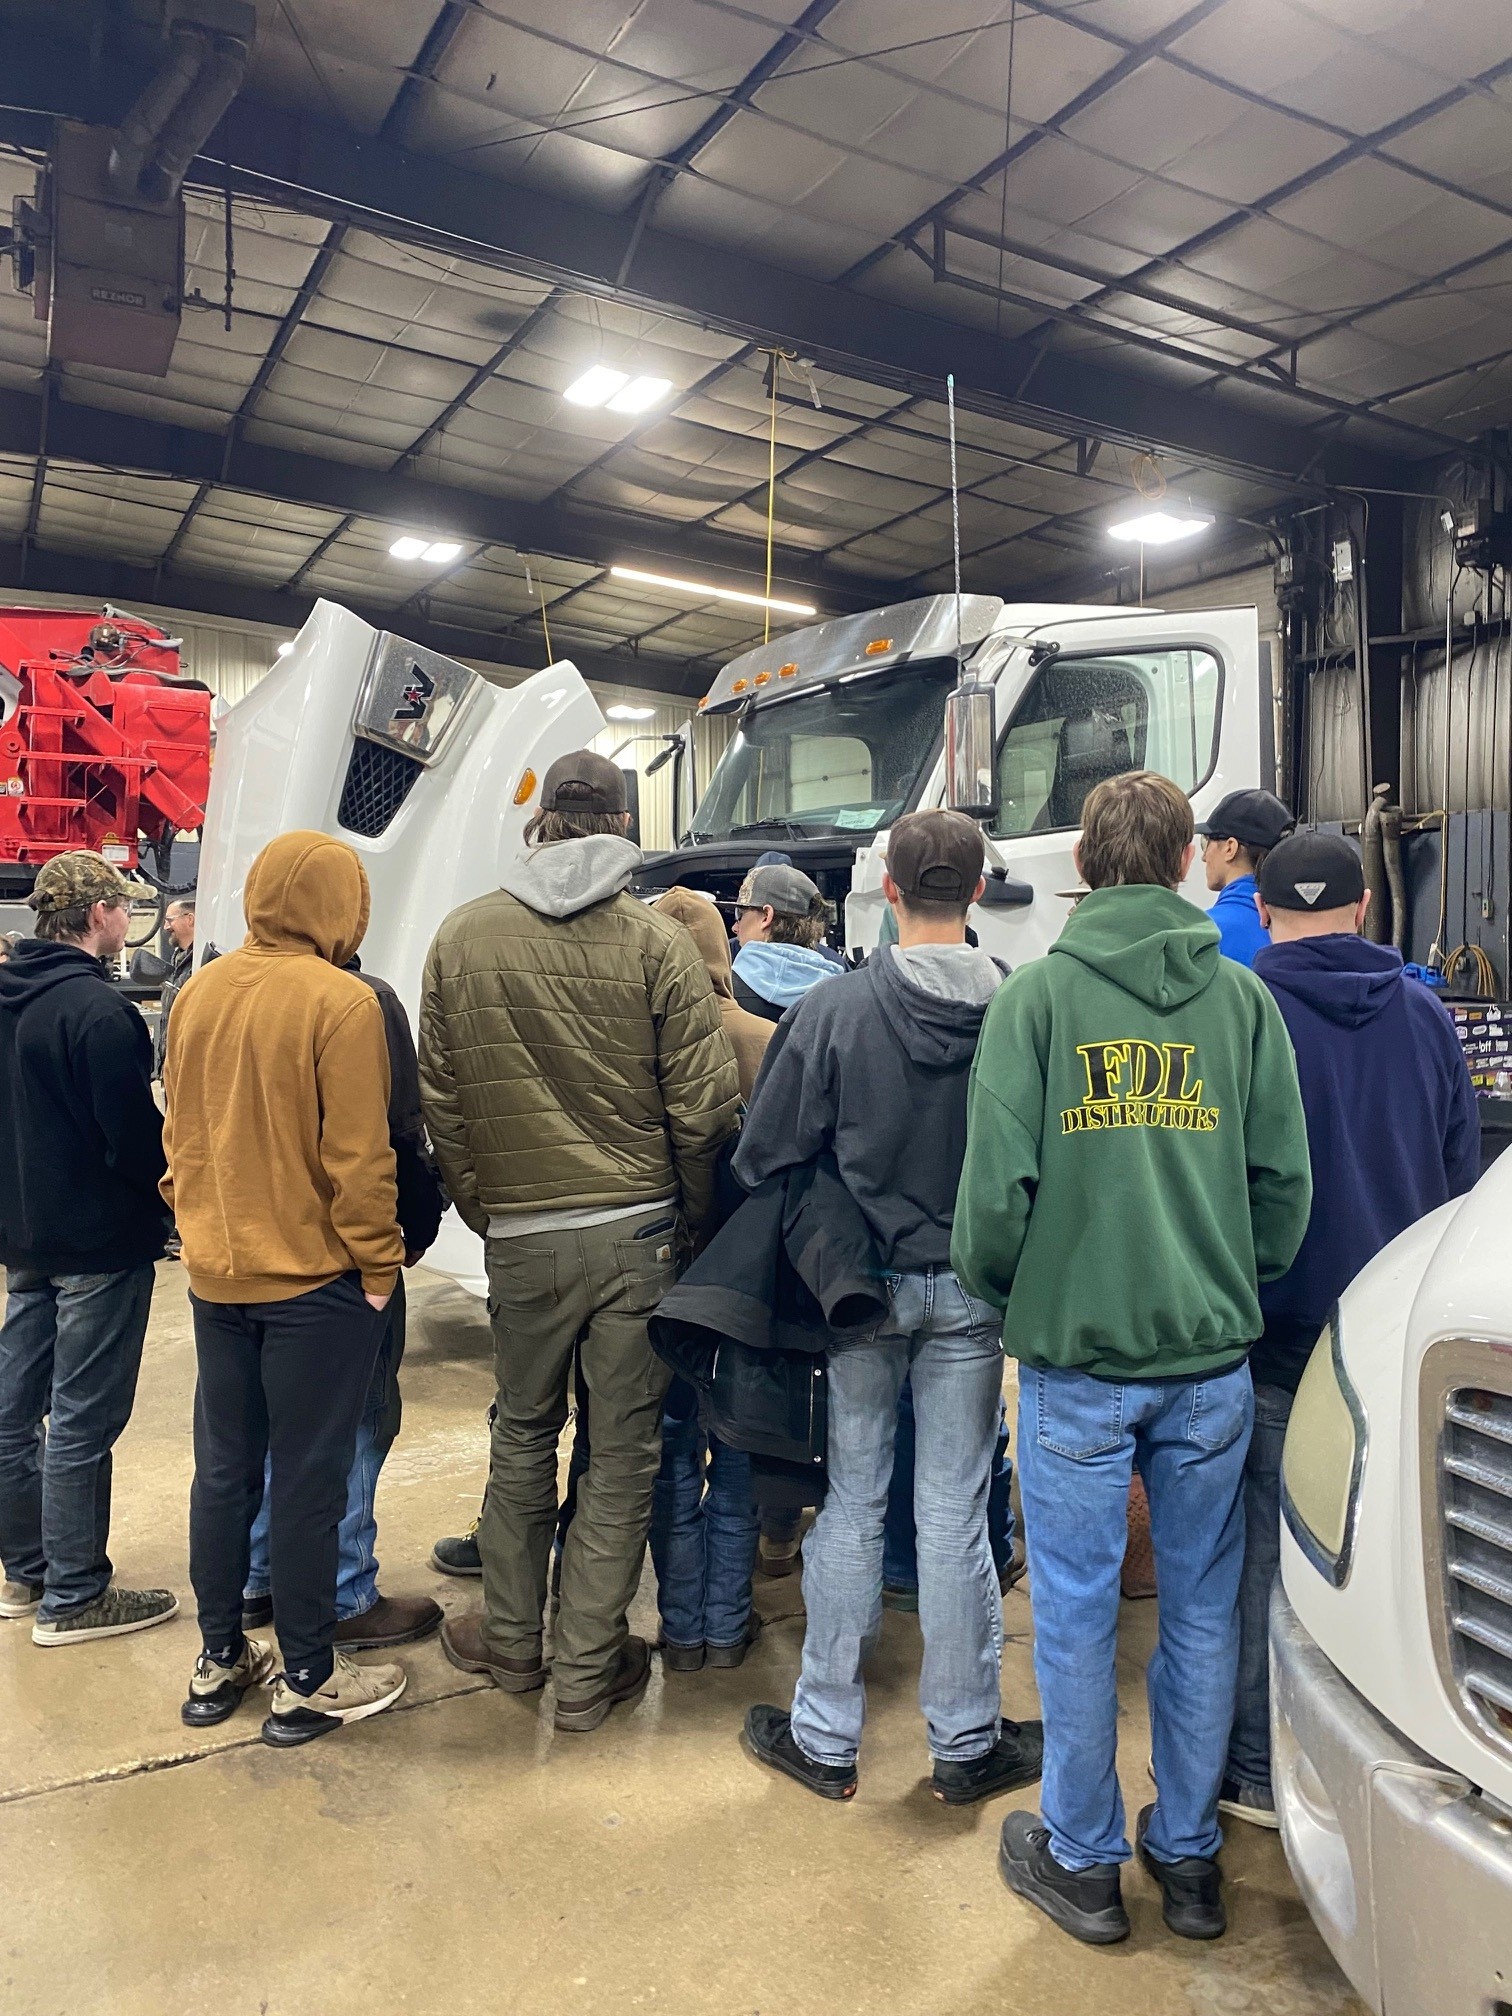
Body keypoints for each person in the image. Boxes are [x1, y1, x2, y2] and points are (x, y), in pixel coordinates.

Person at [953, 770, 1311, 1946]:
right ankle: (1191, 1855)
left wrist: (1023, 1293)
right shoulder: (1244, 1003)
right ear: (1185, 861)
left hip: (1078, 1366)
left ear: (1084, 865)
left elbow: (991, 1204)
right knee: (1202, 1606)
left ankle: (1083, 1859)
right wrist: (1225, 1283)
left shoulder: (1036, 1002)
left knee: (1073, 1612)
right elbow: (1283, 1188)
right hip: (1210, 1365)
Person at [420, 751, 741, 1733]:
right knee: (623, 1453)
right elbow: (704, 1113)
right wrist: (688, 1222)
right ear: (622, 826)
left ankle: (513, 1646)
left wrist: (490, 1214)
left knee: (521, 1434)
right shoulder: (658, 943)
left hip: (523, 1237)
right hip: (639, 1232)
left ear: (539, 823)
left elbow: (444, 1107)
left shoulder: (461, 937)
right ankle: (589, 1674)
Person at [738, 809, 1043, 1806]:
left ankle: (825, 1735)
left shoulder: (834, 1010)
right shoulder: (1020, 1008)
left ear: (893, 894)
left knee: (855, 1502)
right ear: (978, 891)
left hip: (859, 1292)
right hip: (974, 1289)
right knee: (954, 1513)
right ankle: (965, 1741)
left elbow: (764, 1151)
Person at [1221, 830, 1479, 1827]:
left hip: (1275, 1334)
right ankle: (1398, 1777)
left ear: (1265, 912)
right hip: (1388, 1345)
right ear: (1365, 907)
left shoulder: (1243, 1012)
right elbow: (1458, 1184)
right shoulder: (1426, 1015)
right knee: (1388, 1563)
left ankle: (1255, 1770)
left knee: (1262, 1554)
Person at [164, 830, 408, 1745]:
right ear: (341, 905)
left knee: (224, 1473)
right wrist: (378, 1266)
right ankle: (308, 1676)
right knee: (308, 1480)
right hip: (313, 1284)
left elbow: (178, 1131)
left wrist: (191, 1218)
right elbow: (360, 1158)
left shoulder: (199, 991)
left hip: (216, 1276)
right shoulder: (341, 1002)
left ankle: (219, 1659)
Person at [241, 951, 447, 1653]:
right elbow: (394, 1136)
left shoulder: (226, 991)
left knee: (270, 1419)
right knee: (358, 1417)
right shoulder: (362, 1000)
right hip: (342, 1258)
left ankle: (259, 1574)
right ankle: (346, 1591)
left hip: (249, 1257)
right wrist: (409, 1235)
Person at [0, 852, 178, 1643]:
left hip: (25, 1237)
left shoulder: (7, 999)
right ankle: (75, 1596)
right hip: (99, 1245)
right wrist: (169, 1197)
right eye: (122, 907)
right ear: (99, 913)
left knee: (13, 1413)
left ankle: (28, 1572)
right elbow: (132, 1140)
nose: (128, 920)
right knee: (80, 1419)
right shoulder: (99, 1013)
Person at [645, 885, 773, 1671]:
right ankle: (727, 1624)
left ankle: (681, 1628)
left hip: (661, 1277)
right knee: (737, 1448)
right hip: (747, 1283)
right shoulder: (766, 1037)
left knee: (671, 1448)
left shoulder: (636, 1042)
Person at [1195, 788, 1294, 967]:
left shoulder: (1205, 933)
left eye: (1206, 842)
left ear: (1230, 848)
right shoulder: (1299, 927)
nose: (1204, 857)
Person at [730, 862, 837, 1022]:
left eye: (741, 915)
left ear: (766, 916)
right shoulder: (839, 993)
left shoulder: (725, 993)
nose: (735, 927)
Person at [154, 895, 196, 1079]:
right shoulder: (178, 960)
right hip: (171, 1068)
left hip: (188, 1070)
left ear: (189, 919)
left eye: (170, 920)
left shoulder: (204, 962)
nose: (165, 927)